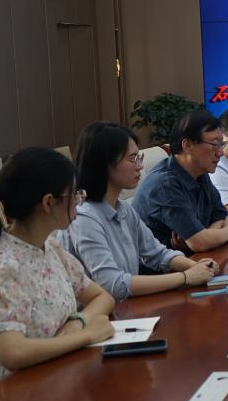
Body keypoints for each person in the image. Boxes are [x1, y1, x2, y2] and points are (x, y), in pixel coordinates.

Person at [0, 148, 115, 391]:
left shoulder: (49, 247)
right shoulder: (3, 268)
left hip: (63, 380)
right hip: (21, 396)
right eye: (74, 195)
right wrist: (86, 335)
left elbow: (102, 297)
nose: (79, 202)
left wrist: (78, 321)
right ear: (49, 202)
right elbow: (14, 352)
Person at [64, 122, 217, 301]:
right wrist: (185, 277)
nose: (140, 166)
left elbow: (157, 254)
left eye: (139, 157)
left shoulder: (123, 209)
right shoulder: (84, 217)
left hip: (127, 308)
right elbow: (113, 285)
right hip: (99, 314)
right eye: (132, 159)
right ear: (104, 163)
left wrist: (197, 267)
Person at [133, 108, 228, 252]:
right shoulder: (165, 185)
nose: (220, 152)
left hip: (194, 258)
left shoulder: (200, 172)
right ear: (187, 145)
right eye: (214, 145)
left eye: (222, 145)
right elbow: (200, 243)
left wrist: (205, 235)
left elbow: (221, 217)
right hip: (163, 265)